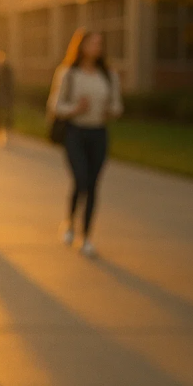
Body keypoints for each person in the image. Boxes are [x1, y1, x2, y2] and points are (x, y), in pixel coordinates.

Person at [47, 28, 123, 257]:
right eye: (92, 43)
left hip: (98, 133)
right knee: (80, 179)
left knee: (92, 185)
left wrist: (110, 111)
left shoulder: (109, 75)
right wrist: (76, 109)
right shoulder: (68, 73)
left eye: (100, 43)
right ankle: (70, 222)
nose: (96, 47)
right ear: (81, 46)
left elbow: (118, 106)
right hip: (75, 133)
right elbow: (55, 106)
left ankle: (86, 236)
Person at [0, 50, 15, 146]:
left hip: (6, 96)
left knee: (6, 115)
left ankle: (7, 132)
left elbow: (10, 84)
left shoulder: (7, 70)